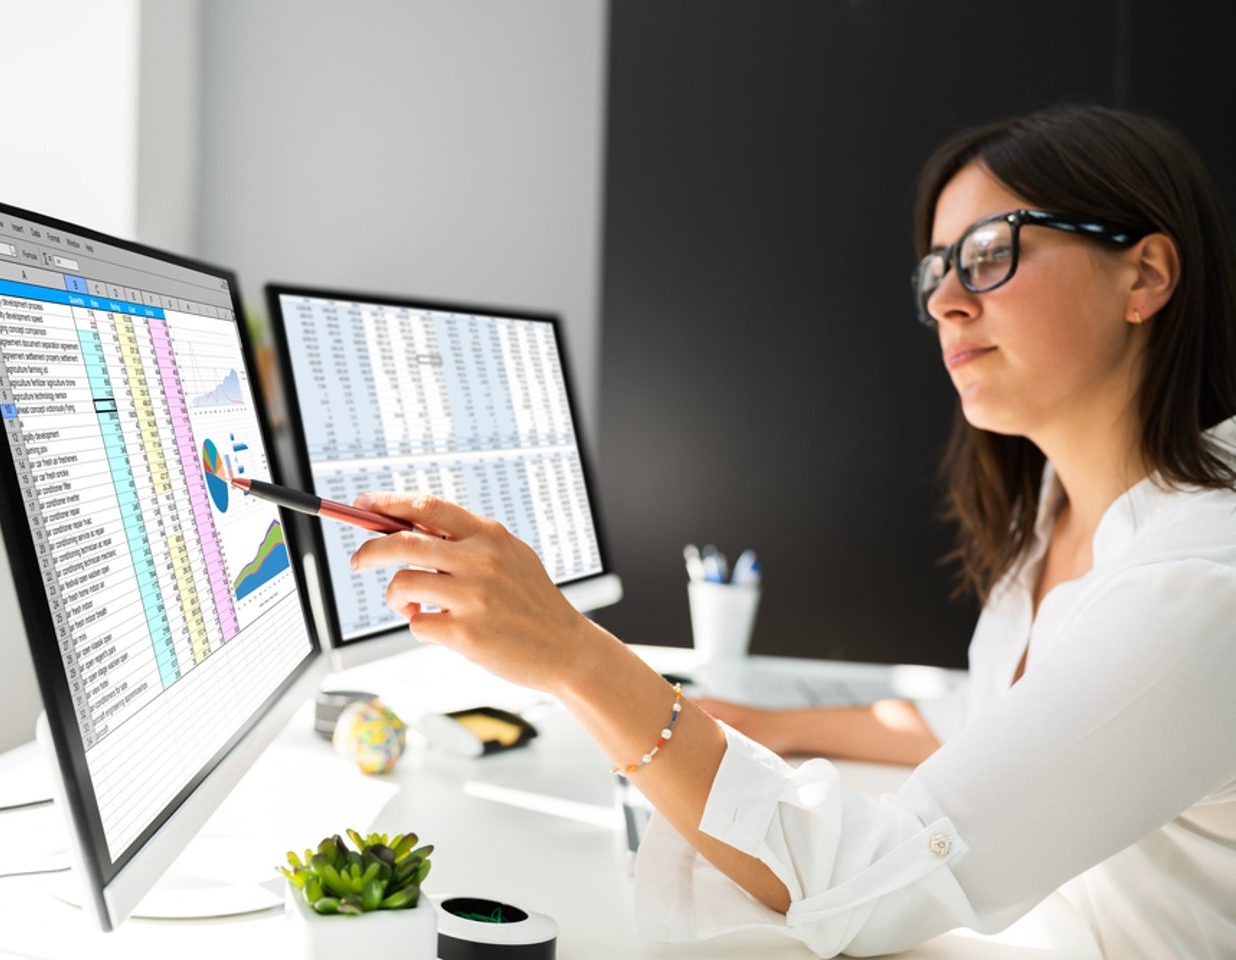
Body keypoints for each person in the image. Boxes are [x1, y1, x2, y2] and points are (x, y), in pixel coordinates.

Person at [349, 104, 1236, 958]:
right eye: (936, 270)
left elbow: (863, 892)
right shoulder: (1056, 510)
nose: (947, 304)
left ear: (1145, 276)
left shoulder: (1199, 583)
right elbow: (994, 714)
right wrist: (766, 722)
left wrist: (574, 655)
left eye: (991, 254)